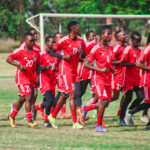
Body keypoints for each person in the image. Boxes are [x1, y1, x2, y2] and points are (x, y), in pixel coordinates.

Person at [48, 21, 86, 129]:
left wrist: (82, 53)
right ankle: (75, 123)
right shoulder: (63, 40)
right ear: (73, 28)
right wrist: (63, 57)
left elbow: (84, 55)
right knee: (72, 95)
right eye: (78, 26)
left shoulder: (81, 41)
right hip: (65, 70)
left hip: (74, 70)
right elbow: (52, 52)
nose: (80, 28)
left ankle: (52, 116)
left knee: (64, 95)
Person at [32, 36, 71, 127]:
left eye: (54, 42)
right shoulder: (41, 54)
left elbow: (58, 65)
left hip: (53, 80)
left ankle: (38, 108)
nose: (54, 44)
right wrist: (45, 67)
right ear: (47, 43)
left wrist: (57, 68)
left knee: (50, 101)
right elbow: (36, 67)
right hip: (44, 79)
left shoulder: (56, 54)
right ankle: (46, 120)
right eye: (52, 42)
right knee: (51, 99)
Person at [81, 25, 114, 132]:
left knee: (106, 103)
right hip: (98, 78)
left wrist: (112, 69)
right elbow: (86, 64)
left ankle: (85, 108)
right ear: (101, 35)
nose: (110, 36)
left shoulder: (110, 48)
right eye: (107, 34)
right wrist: (99, 70)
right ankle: (98, 126)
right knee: (103, 101)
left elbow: (108, 62)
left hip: (108, 78)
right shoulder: (96, 48)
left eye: (111, 34)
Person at [6, 33, 40, 128]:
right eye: (30, 41)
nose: (32, 43)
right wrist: (18, 65)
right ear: (25, 41)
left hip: (31, 77)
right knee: (28, 97)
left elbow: (37, 65)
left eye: (33, 41)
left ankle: (12, 116)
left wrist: (37, 77)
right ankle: (30, 120)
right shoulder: (19, 51)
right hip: (21, 77)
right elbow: (8, 59)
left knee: (22, 99)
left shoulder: (36, 52)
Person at [119, 31, 144, 126]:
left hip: (137, 79)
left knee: (141, 97)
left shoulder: (139, 50)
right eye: (137, 41)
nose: (139, 43)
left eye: (140, 41)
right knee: (128, 99)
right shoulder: (127, 49)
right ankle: (121, 118)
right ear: (133, 41)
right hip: (128, 79)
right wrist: (134, 64)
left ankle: (128, 113)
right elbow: (122, 63)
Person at [75, 30, 97, 123]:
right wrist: (84, 59)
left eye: (95, 35)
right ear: (88, 38)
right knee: (79, 94)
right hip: (84, 71)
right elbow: (80, 57)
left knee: (96, 93)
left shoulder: (94, 44)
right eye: (93, 36)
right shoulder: (88, 45)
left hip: (93, 72)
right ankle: (80, 114)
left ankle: (94, 113)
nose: (94, 37)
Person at [51, 32, 71, 119]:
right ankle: (40, 108)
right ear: (55, 39)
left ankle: (63, 112)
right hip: (52, 74)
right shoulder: (54, 50)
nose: (61, 39)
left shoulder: (63, 49)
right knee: (52, 94)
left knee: (63, 92)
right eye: (59, 38)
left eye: (62, 37)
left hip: (60, 73)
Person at [111, 30, 128, 119]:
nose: (126, 36)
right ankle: (97, 106)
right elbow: (111, 62)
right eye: (124, 35)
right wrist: (121, 62)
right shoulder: (116, 48)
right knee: (115, 97)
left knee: (125, 95)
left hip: (125, 75)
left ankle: (120, 114)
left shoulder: (126, 46)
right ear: (118, 38)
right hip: (117, 75)